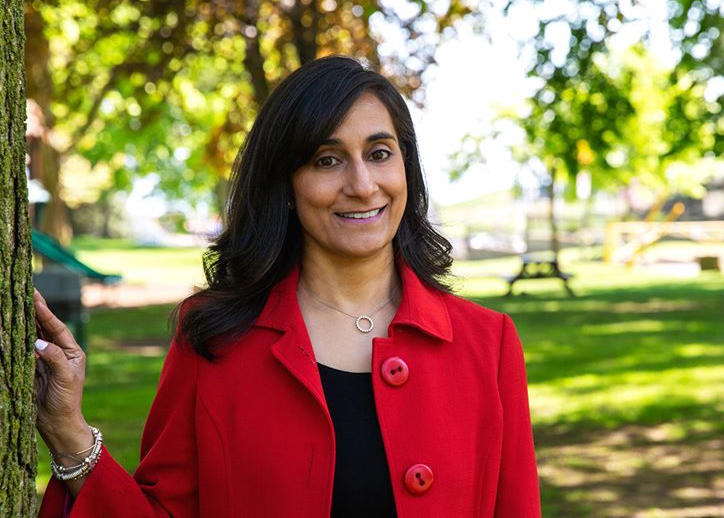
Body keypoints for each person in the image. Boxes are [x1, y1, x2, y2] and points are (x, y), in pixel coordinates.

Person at [34, 56, 541, 517]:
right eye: (327, 159)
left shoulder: (488, 344)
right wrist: (69, 434)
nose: (363, 184)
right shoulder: (214, 339)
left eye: (380, 153)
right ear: (285, 184)